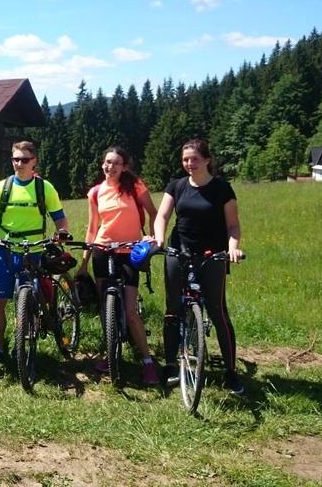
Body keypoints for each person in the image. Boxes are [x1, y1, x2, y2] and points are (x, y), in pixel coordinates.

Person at [153, 138, 245, 394]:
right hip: (178, 251)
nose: (189, 164)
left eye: (194, 159)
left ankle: (230, 372)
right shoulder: (177, 186)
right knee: (172, 308)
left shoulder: (222, 189)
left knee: (218, 311)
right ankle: (171, 364)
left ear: (207, 160)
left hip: (211, 254)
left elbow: (233, 225)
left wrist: (232, 247)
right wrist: (159, 239)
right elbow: (162, 216)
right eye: (185, 159)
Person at [0, 141, 70, 369]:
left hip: (35, 250)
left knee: (31, 300)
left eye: (24, 160)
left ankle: (25, 340)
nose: (19, 164)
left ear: (34, 162)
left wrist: (61, 232)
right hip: (5, 249)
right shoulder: (3, 187)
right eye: (15, 159)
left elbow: (59, 217)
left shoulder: (44, 188)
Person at [78, 147, 159, 385]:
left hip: (130, 252)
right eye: (106, 162)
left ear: (124, 166)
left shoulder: (135, 187)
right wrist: (84, 263)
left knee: (131, 311)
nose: (109, 167)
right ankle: (110, 353)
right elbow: (92, 228)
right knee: (106, 307)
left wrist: (152, 238)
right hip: (102, 250)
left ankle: (147, 362)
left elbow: (154, 213)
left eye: (115, 163)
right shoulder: (95, 193)